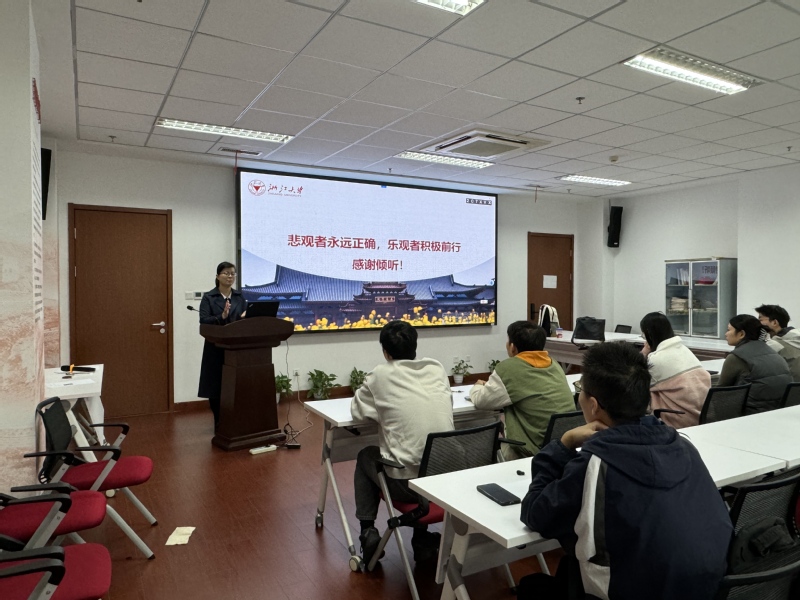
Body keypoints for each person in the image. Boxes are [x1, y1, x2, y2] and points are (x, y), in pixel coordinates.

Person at [518, 342, 732, 600]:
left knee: (531, 585)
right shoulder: (683, 446)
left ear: (593, 405)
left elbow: (535, 514)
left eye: (580, 390)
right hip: (707, 589)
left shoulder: (595, 464)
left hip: (628, 591)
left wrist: (563, 444)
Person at [351, 321, 454, 567]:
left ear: (385, 352)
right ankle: (421, 541)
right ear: (415, 347)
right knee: (425, 451)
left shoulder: (379, 375)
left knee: (366, 456)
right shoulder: (436, 368)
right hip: (446, 480)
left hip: (409, 486)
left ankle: (367, 531)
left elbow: (358, 414)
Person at [469, 321, 574, 458]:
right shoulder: (554, 364)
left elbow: (481, 401)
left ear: (512, 347)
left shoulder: (509, 368)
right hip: (564, 447)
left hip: (531, 451)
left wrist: (477, 386)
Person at [198, 262, 247, 430]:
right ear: (218, 276)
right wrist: (222, 316)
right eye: (226, 273)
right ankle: (219, 422)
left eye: (233, 273)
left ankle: (236, 421)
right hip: (215, 348)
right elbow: (204, 320)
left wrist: (245, 317)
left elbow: (242, 320)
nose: (230, 276)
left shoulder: (239, 297)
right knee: (216, 386)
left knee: (236, 385)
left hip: (236, 348)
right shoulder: (209, 297)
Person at [640, 311, 710, 427]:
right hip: (697, 417)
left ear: (649, 335)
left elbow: (636, 383)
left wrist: (644, 353)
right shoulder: (683, 349)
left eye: (644, 335)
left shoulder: (656, 359)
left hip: (676, 420)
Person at [718, 314, 791, 413]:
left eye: (728, 330)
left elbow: (720, 392)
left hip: (750, 413)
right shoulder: (771, 351)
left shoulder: (737, 357)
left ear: (741, 334)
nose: (726, 334)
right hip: (779, 411)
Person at [755, 304, 800, 382]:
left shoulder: (775, 345)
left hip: (786, 386)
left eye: (760, 320)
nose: (758, 324)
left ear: (774, 322)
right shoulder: (794, 338)